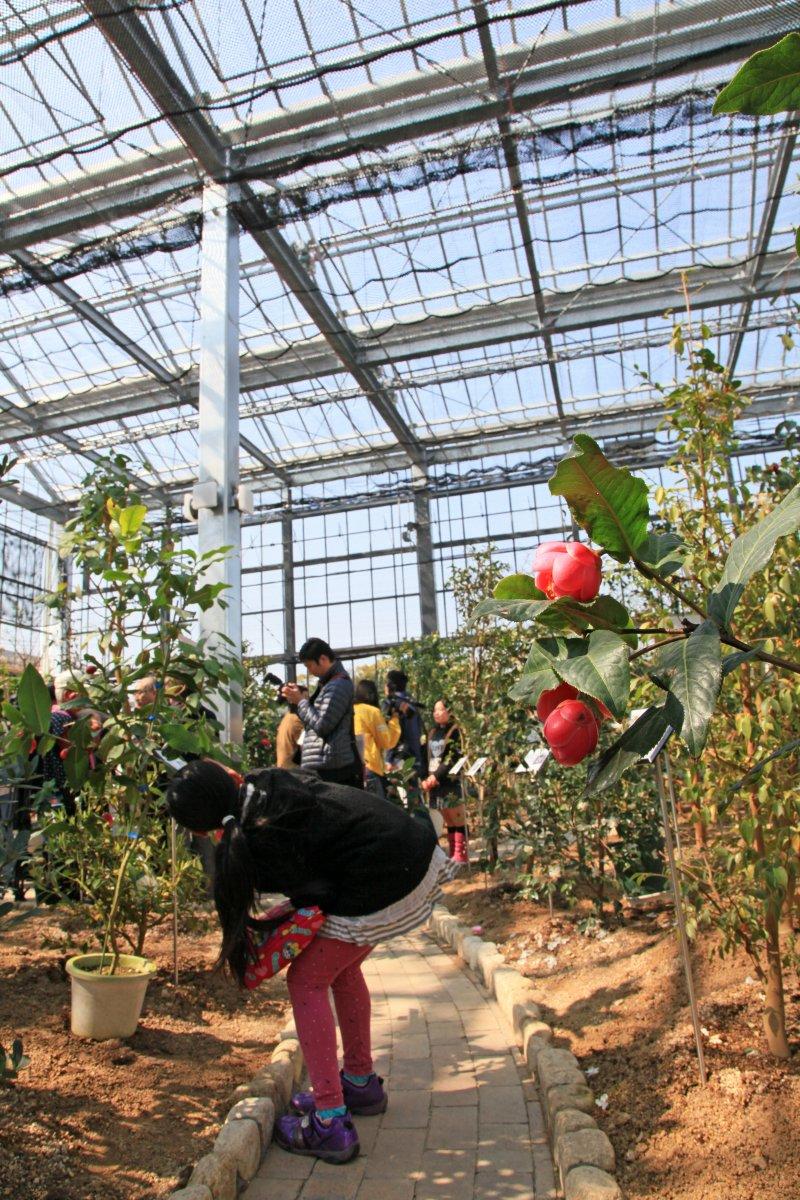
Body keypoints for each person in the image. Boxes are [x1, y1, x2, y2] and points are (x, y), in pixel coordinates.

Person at [165, 761, 458, 1164]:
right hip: (407, 849)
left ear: (199, 830)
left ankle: (329, 1120)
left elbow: (309, 895)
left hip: (385, 876)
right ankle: (359, 1082)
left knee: (306, 981)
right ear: (232, 777)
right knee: (340, 968)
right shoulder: (265, 785)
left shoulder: (258, 843)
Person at [281, 640, 361, 787]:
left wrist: (301, 701)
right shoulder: (327, 684)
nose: (309, 670)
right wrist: (298, 700)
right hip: (324, 763)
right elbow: (312, 724)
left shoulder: (338, 685)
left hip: (333, 767)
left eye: (309, 665)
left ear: (323, 659)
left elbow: (322, 725)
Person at [421, 699, 467, 863]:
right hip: (434, 781)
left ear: (449, 711)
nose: (437, 713)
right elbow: (425, 755)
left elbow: (452, 758)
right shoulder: (432, 732)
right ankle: (453, 852)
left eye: (440, 710)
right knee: (446, 817)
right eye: (435, 710)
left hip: (448, 779)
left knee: (456, 815)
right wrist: (426, 777)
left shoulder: (455, 731)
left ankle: (461, 853)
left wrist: (436, 776)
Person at [353, 679, 400, 798]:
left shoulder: (351, 709)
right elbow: (386, 742)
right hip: (370, 769)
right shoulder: (372, 711)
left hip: (353, 769)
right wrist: (394, 719)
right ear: (372, 695)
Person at [276, 686, 309, 768]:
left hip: (283, 769)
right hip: (294, 772)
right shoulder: (298, 720)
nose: (308, 701)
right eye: (305, 697)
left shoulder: (288, 717)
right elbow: (305, 747)